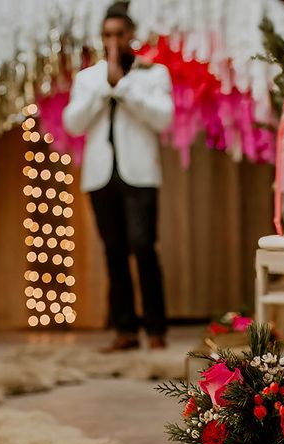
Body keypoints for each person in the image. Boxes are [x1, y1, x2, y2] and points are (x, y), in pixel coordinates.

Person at [63, 1, 174, 352]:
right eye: (107, 34)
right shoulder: (88, 78)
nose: (112, 39)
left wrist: (123, 86)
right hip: (100, 176)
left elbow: (163, 119)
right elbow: (73, 123)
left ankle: (156, 329)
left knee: (143, 247)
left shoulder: (153, 74)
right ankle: (125, 330)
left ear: (130, 36)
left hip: (139, 175)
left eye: (118, 34)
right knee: (113, 252)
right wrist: (105, 84)